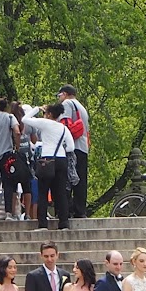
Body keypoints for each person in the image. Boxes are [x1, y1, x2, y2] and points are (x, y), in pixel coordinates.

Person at [28, 103, 76, 230]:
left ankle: (43, 223)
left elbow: (25, 119)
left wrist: (37, 108)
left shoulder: (45, 123)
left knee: (43, 192)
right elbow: (71, 147)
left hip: (47, 159)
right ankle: (64, 222)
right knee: (60, 192)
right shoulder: (64, 128)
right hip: (61, 160)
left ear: (49, 114)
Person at [59, 85, 91, 219]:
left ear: (65, 94)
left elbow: (65, 124)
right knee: (81, 179)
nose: (59, 98)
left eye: (59, 95)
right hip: (83, 146)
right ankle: (80, 210)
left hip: (72, 147)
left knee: (68, 179)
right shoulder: (82, 107)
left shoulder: (67, 104)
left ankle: (66, 211)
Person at [8, 101, 34, 221]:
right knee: (27, 186)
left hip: (13, 156)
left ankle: (13, 213)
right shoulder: (28, 123)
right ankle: (27, 214)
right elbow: (34, 140)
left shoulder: (10, 121)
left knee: (13, 185)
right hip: (27, 157)